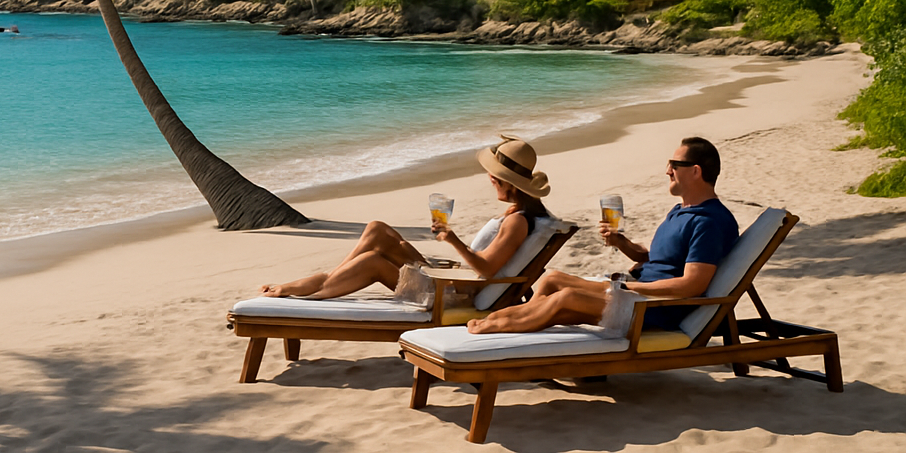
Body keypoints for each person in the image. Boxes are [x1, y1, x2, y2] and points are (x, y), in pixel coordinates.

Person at [468, 136, 739, 335]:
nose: (667, 170)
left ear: (695, 171)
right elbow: (658, 259)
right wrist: (623, 244)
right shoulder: (682, 210)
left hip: (656, 309)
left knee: (566, 298)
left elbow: (692, 285)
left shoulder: (709, 222)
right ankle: (509, 327)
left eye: (674, 165)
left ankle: (498, 330)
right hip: (639, 294)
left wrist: (627, 288)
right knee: (551, 279)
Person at [260, 135, 553, 301]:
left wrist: (453, 240)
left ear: (510, 183)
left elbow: (488, 270)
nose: (490, 179)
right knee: (377, 230)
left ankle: (310, 296)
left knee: (372, 261)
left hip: (451, 295)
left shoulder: (518, 221)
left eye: (495, 177)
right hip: (451, 280)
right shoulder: (518, 213)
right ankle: (326, 280)